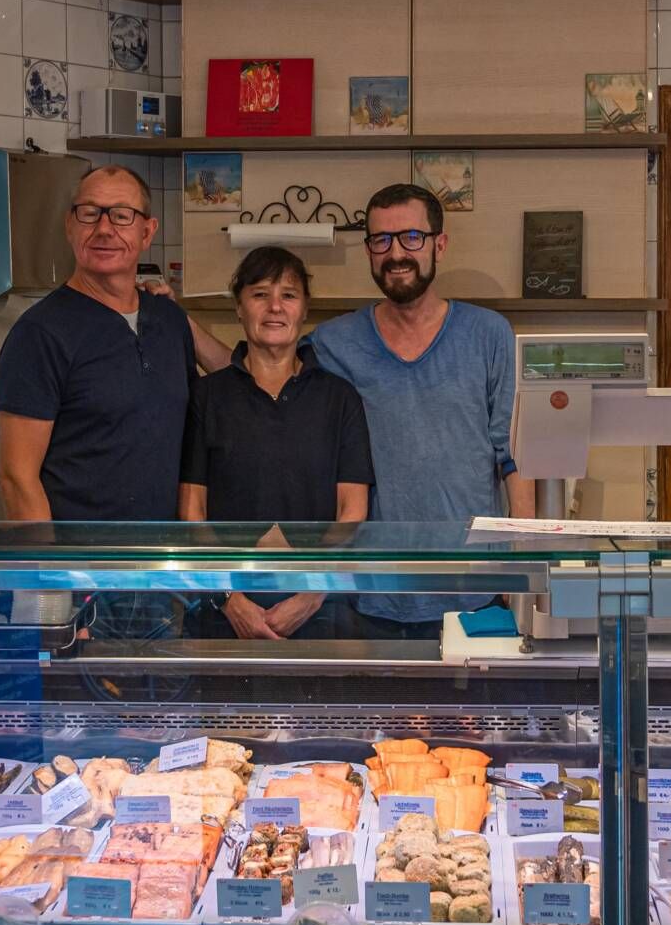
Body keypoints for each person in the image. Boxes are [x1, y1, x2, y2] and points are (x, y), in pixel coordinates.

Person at [309, 183, 530, 637]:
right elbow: (257, 376)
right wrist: (182, 325)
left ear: (439, 244)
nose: (396, 253)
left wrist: (522, 568)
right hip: (369, 593)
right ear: (368, 250)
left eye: (411, 237)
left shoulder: (489, 335)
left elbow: (514, 456)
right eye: (381, 240)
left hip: (473, 588)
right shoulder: (333, 343)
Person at [179, 246, 373, 639]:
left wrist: (312, 595)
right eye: (259, 294)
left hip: (320, 614)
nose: (274, 307)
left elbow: (352, 511)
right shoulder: (207, 396)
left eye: (288, 295)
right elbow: (192, 509)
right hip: (221, 614)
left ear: (304, 310)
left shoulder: (339, 398)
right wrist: (228, 598)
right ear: (239, 307)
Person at [0, 164, 197, 522]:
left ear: (148, 232)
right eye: (89, 214)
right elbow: (17, 479)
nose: (104, 229)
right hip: (78, 567)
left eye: (122, 216)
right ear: (69, 226)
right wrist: (51, 576)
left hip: (162, 564)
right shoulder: (40, 334)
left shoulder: (169, 321)